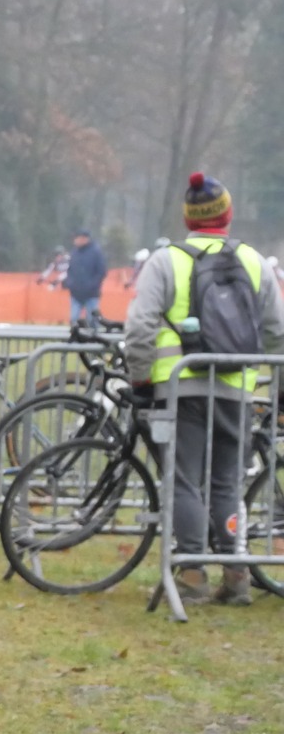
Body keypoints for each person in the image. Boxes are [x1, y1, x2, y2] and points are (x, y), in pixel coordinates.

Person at [123, 171, 284, 607]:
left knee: (183, 481)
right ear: (227, 215)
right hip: (236, 387)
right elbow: (278, 333)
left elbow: (140, 327)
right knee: (227, 482)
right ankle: (236, 575)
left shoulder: (166, 261)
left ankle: (192, 574)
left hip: (180, 387)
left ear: (189, 218)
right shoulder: (255, 261)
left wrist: (140, 377)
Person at [64, 228, 107, 326]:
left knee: (92, 321)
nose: (75, 240)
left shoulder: (96, 252)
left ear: (85, 238)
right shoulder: (74, 252)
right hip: (75, 294)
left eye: (77, 238)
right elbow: (70, 270)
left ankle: (94, 335)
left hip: (91, 294)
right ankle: (75, 335)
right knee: (74, 319)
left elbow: (101, 272)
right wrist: (70, 284)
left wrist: (92, 285)